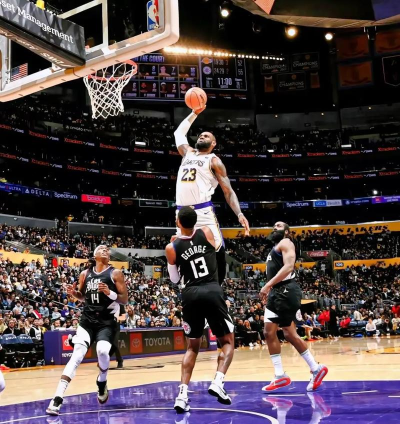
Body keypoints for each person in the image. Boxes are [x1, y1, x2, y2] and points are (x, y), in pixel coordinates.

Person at [165, 207, 235, 413]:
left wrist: (175, 248)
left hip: (190, 294)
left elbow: (174, 279)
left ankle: (182, 395)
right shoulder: (207, 232)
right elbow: (217, 252)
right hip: (212, 290)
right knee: (227, 342)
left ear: (177, 222)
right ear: (195, 221)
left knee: (192, 348)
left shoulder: (172, 247)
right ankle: (218, 381)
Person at [46, 246, 128, 416]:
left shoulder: (115, 273)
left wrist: (110, 293)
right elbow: (83, 296)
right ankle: (57, 398)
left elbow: (124, 299)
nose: (105, 250)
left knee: (102, 351)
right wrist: (74, 294)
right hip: (87, 321)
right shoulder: (85, 274)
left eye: (107, 249)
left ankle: (102, 381)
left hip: (106, 322)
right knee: (76, 356)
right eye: (101, 249)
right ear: (94, 255)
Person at [174, 107, 250, 284]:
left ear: (213, 143)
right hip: (181, 212)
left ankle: (218, 286)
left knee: (217, 248)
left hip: (203, 212)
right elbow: (179, 133)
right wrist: (194, 113)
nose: (202, 137)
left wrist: (239, 213)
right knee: (183, 249)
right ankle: (188, 286)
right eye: (201, 135)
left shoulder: (214, 161)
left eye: (206, 136)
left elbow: (228, 191)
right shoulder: (187, 152)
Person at [260, 222, 328, 392]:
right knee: (268, 332)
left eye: (278, 226)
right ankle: (280, 375)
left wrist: (267, 285)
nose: (274, 228)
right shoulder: (275, 247)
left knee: (289, 333)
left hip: (286, 290)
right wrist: (270, 288)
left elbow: (289, 266)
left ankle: (316, 368)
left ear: (286, 232)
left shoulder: (286, 242)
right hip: (276, 292)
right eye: (273, 226)